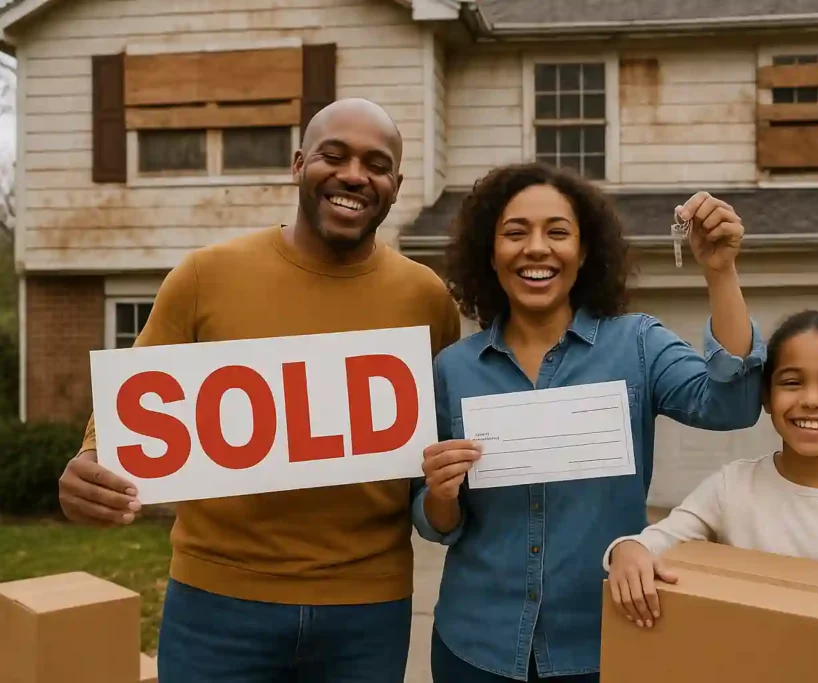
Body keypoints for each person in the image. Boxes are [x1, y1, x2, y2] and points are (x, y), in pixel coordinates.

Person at [55, 98, 463, 683]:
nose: (354, 174)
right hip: (216, 601)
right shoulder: (205, 276)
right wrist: (90, 463)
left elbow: (433, 447)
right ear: (299, 164)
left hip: (367, 609)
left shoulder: (427, 299)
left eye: (376, 164)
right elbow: (133, 406)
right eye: (334, 154)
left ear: (395, 186)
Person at [413, 161, 767, 682]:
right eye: (515, 233)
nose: (536, 248)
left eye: (558, 232)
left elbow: (731, 405)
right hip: (474, 647)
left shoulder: (638, 345)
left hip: (602, 645)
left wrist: (719, 271)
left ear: (584, 252)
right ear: (490, 254)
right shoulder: (452, 369)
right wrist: (441, 496)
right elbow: (435, 522)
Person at [604, 310, 818, 683]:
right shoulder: (733, 486)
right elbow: (656, 542)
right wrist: (626, 550)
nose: (812, 400)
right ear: (766, 396)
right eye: (792, 382)